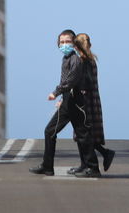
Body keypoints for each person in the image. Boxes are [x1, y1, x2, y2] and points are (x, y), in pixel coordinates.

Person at [29, 29, 99, 177]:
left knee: (82, 134)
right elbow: (66, 80)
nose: (64, 44)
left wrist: (55, 92)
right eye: (62, 42)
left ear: (74, 43)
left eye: (67, 41)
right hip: (68, 101)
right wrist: (62, 99)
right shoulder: (67, 58)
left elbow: (71, 80)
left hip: (76, 101)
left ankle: (92, 168)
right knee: (53, 132)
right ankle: (48, 167)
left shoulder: (75, 59)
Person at [72, 33, 116, 174]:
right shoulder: (91, 59)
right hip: (92, 100)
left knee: (84, 134)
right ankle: (84, 164)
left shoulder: (84, 61)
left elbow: (85, 83)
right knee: (83, 134)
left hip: (85, 101)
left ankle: (100, 156)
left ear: (76, 46)